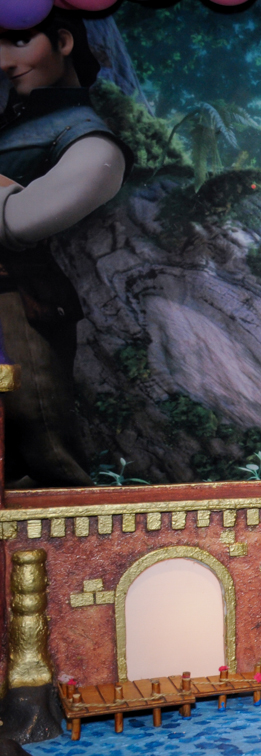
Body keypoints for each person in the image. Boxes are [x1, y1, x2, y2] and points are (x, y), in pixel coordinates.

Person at [0, 11, 131, 486]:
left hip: (18, 301)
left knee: (45, 449)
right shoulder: (11, 120)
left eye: (18, 41)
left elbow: (17, 223)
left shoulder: (84, 136)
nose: (6, 62)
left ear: (63, 40)